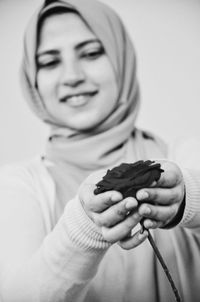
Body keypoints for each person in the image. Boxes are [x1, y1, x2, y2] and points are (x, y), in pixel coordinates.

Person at [0, 0, 200, 301]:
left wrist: (189, 199)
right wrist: (84, 227)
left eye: (91, 53)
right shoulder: (17, 185)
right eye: (50, 62)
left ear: (122, 58)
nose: (72, 76)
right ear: (33, 81)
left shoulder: (185, 154)